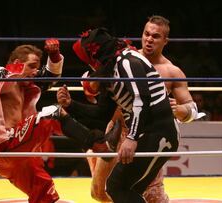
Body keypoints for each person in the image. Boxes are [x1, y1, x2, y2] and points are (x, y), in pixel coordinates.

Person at [0, 40, 118, 203]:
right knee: (53, 113)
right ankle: (96, 143)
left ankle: (93, 142)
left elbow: (50, 76)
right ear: (17, 64)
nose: (36, 71)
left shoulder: (28, 84)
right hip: (2, 146)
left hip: (19, 157)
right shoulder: (0, 76)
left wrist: (54, 55)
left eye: (37, 67)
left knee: (44, 192)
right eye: (32, 66)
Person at [84, 15, 206, 203]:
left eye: (156, 36)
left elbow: (192, 108)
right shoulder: (122, 57)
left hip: (148, 136)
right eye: (146, 34)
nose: (149, 39)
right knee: (100, 192)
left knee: (152, 195)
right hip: (117, 132)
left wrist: (181, 110)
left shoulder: (171, 72)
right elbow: (93, 90)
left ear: (165, 40)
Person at [57, 27, 179, 203]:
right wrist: (70, 104)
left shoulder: (127, 60)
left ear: (95, 55)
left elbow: (141, 99)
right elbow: (101, 114)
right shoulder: (111, 72)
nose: (90, 66)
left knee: (116, 186)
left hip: (159, 132)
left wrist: (132, 138)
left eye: (89, 60)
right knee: (127, 191)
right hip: (148, 134)